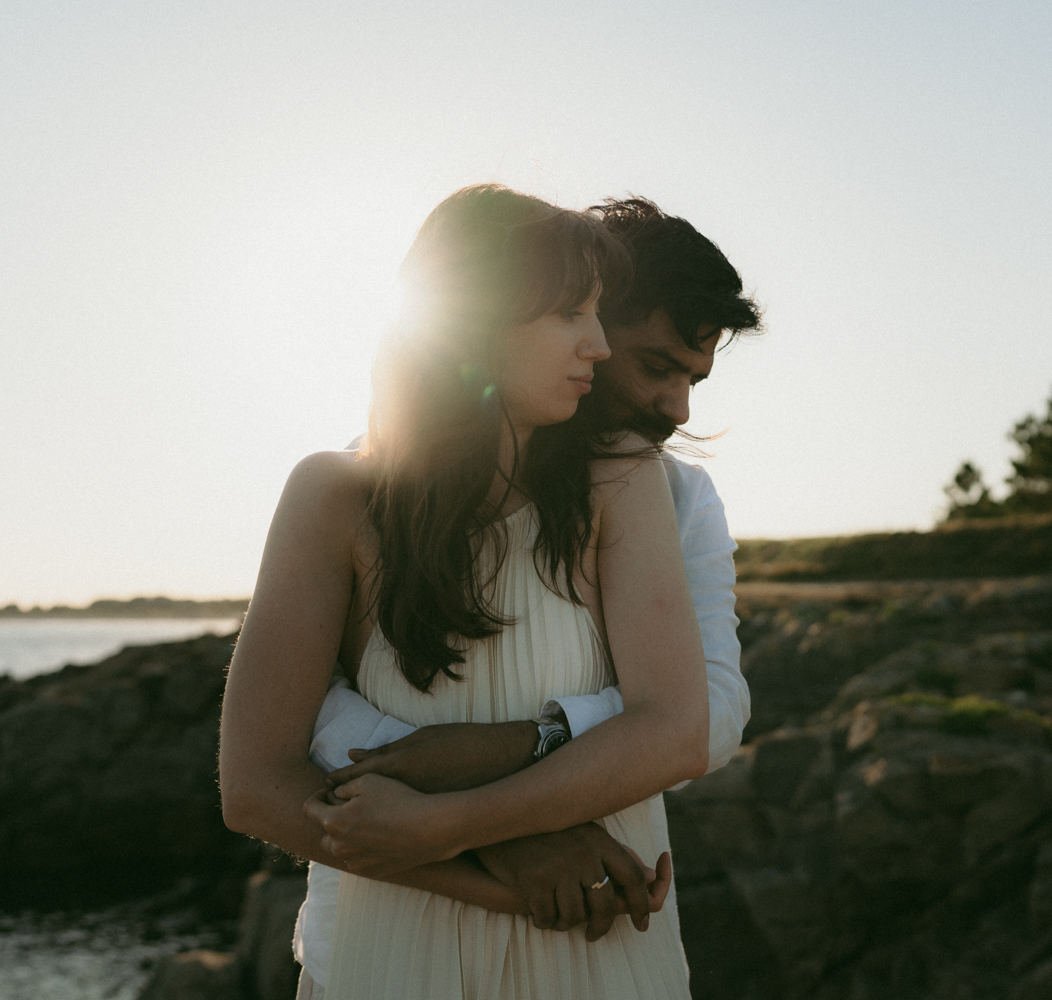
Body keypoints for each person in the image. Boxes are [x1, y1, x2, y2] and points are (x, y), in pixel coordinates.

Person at [218, 185, 742, 1000]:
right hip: (389, 953)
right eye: (575, 314)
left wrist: (465, 801)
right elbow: (261, 776)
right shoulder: (341, 494)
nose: (598, 346)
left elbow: (694, 722)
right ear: (476, 322)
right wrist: (500, 856)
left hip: (594, 949)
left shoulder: (634, 483)